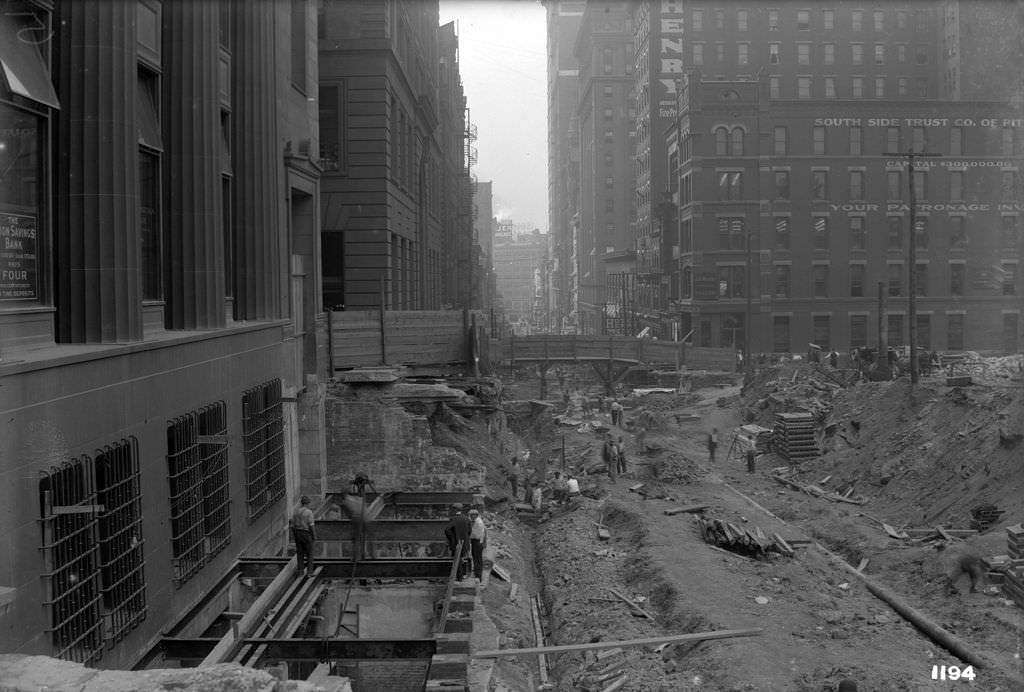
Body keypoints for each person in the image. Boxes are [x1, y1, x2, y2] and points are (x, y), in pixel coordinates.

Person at [444, 504, 471, 581]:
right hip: (465, 543)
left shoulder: (454, 519)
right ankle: (461, 576)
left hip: (456, 543)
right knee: (461, 558)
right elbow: (469, 531)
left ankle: (459, 578)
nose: (451, 511)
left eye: (452, 509)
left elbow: (447, 530)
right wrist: (465, 538)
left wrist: (452, 538)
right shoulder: (467, 519)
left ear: (455, 509)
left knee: (457, 560)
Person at [290, 495, 317, 577]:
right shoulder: (309, 512)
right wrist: (314, 536)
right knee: (309, 553)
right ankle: (310, 572)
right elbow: (311, 525)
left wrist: (295, 534)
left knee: (300, 553)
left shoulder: (296, 511)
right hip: (306, 533)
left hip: (297, 533)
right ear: (307, 503)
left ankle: (300, 571)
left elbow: (292, 525)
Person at [468, 508, 487, 581]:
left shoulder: (477, 522)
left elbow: (474, 534)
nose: (472, 516)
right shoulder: (476, 521)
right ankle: (477, 574)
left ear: (476, 515)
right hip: (477, 541)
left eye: (473, 515)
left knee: (477, 559)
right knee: (476, 558)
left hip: (477, 541)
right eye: (471, 515)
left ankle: (478, 576)